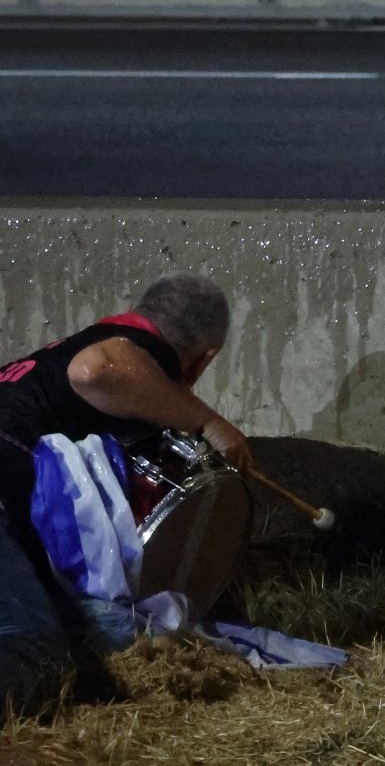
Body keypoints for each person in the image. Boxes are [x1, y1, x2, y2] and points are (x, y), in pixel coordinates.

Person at [0, 274, 251, 717]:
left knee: (113, 628)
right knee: (34, 657)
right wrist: (209, 422)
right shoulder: (138, 350)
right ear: (204, 359)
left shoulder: (61, 355)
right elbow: (94, 371)